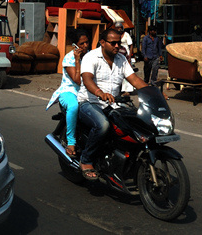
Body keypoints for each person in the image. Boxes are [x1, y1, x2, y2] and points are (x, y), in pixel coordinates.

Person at [77, 28, 149, 180]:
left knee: (136, 124)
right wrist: (99, 93)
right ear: (102, 43)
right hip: (89, 102)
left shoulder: (121, 59)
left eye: (119, 43)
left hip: (113, 105)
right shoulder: (91, 57)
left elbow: (134, 80)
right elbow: (87, 79)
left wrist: (152, 91)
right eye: (113, 43)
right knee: (103, 125)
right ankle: (86, 160)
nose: (117, 46)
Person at [46, 29, 90, 158]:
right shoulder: (69, 58)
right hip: (69, 91)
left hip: (86, 91)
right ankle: (71, 142)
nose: (85, 46)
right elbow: (77, 80)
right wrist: (77, 60)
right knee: (73, 106)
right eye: (82, 44)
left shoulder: (90, 56)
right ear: (75, 45)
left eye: (87, 42)